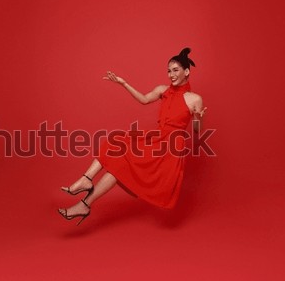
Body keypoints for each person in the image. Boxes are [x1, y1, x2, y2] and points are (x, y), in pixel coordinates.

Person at [58, 48, 207, 225]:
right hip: (156, 139)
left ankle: (85, 196)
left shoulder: (195, 99)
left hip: (170, 149)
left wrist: (197, 118)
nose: (171, 74)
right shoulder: (163, 90)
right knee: (116, 147)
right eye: (168, 70)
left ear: (186, 71)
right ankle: (86, 187)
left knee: (122, 162)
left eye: (175, 70)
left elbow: (197, 130)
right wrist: (124, 83)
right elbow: (144, 99)